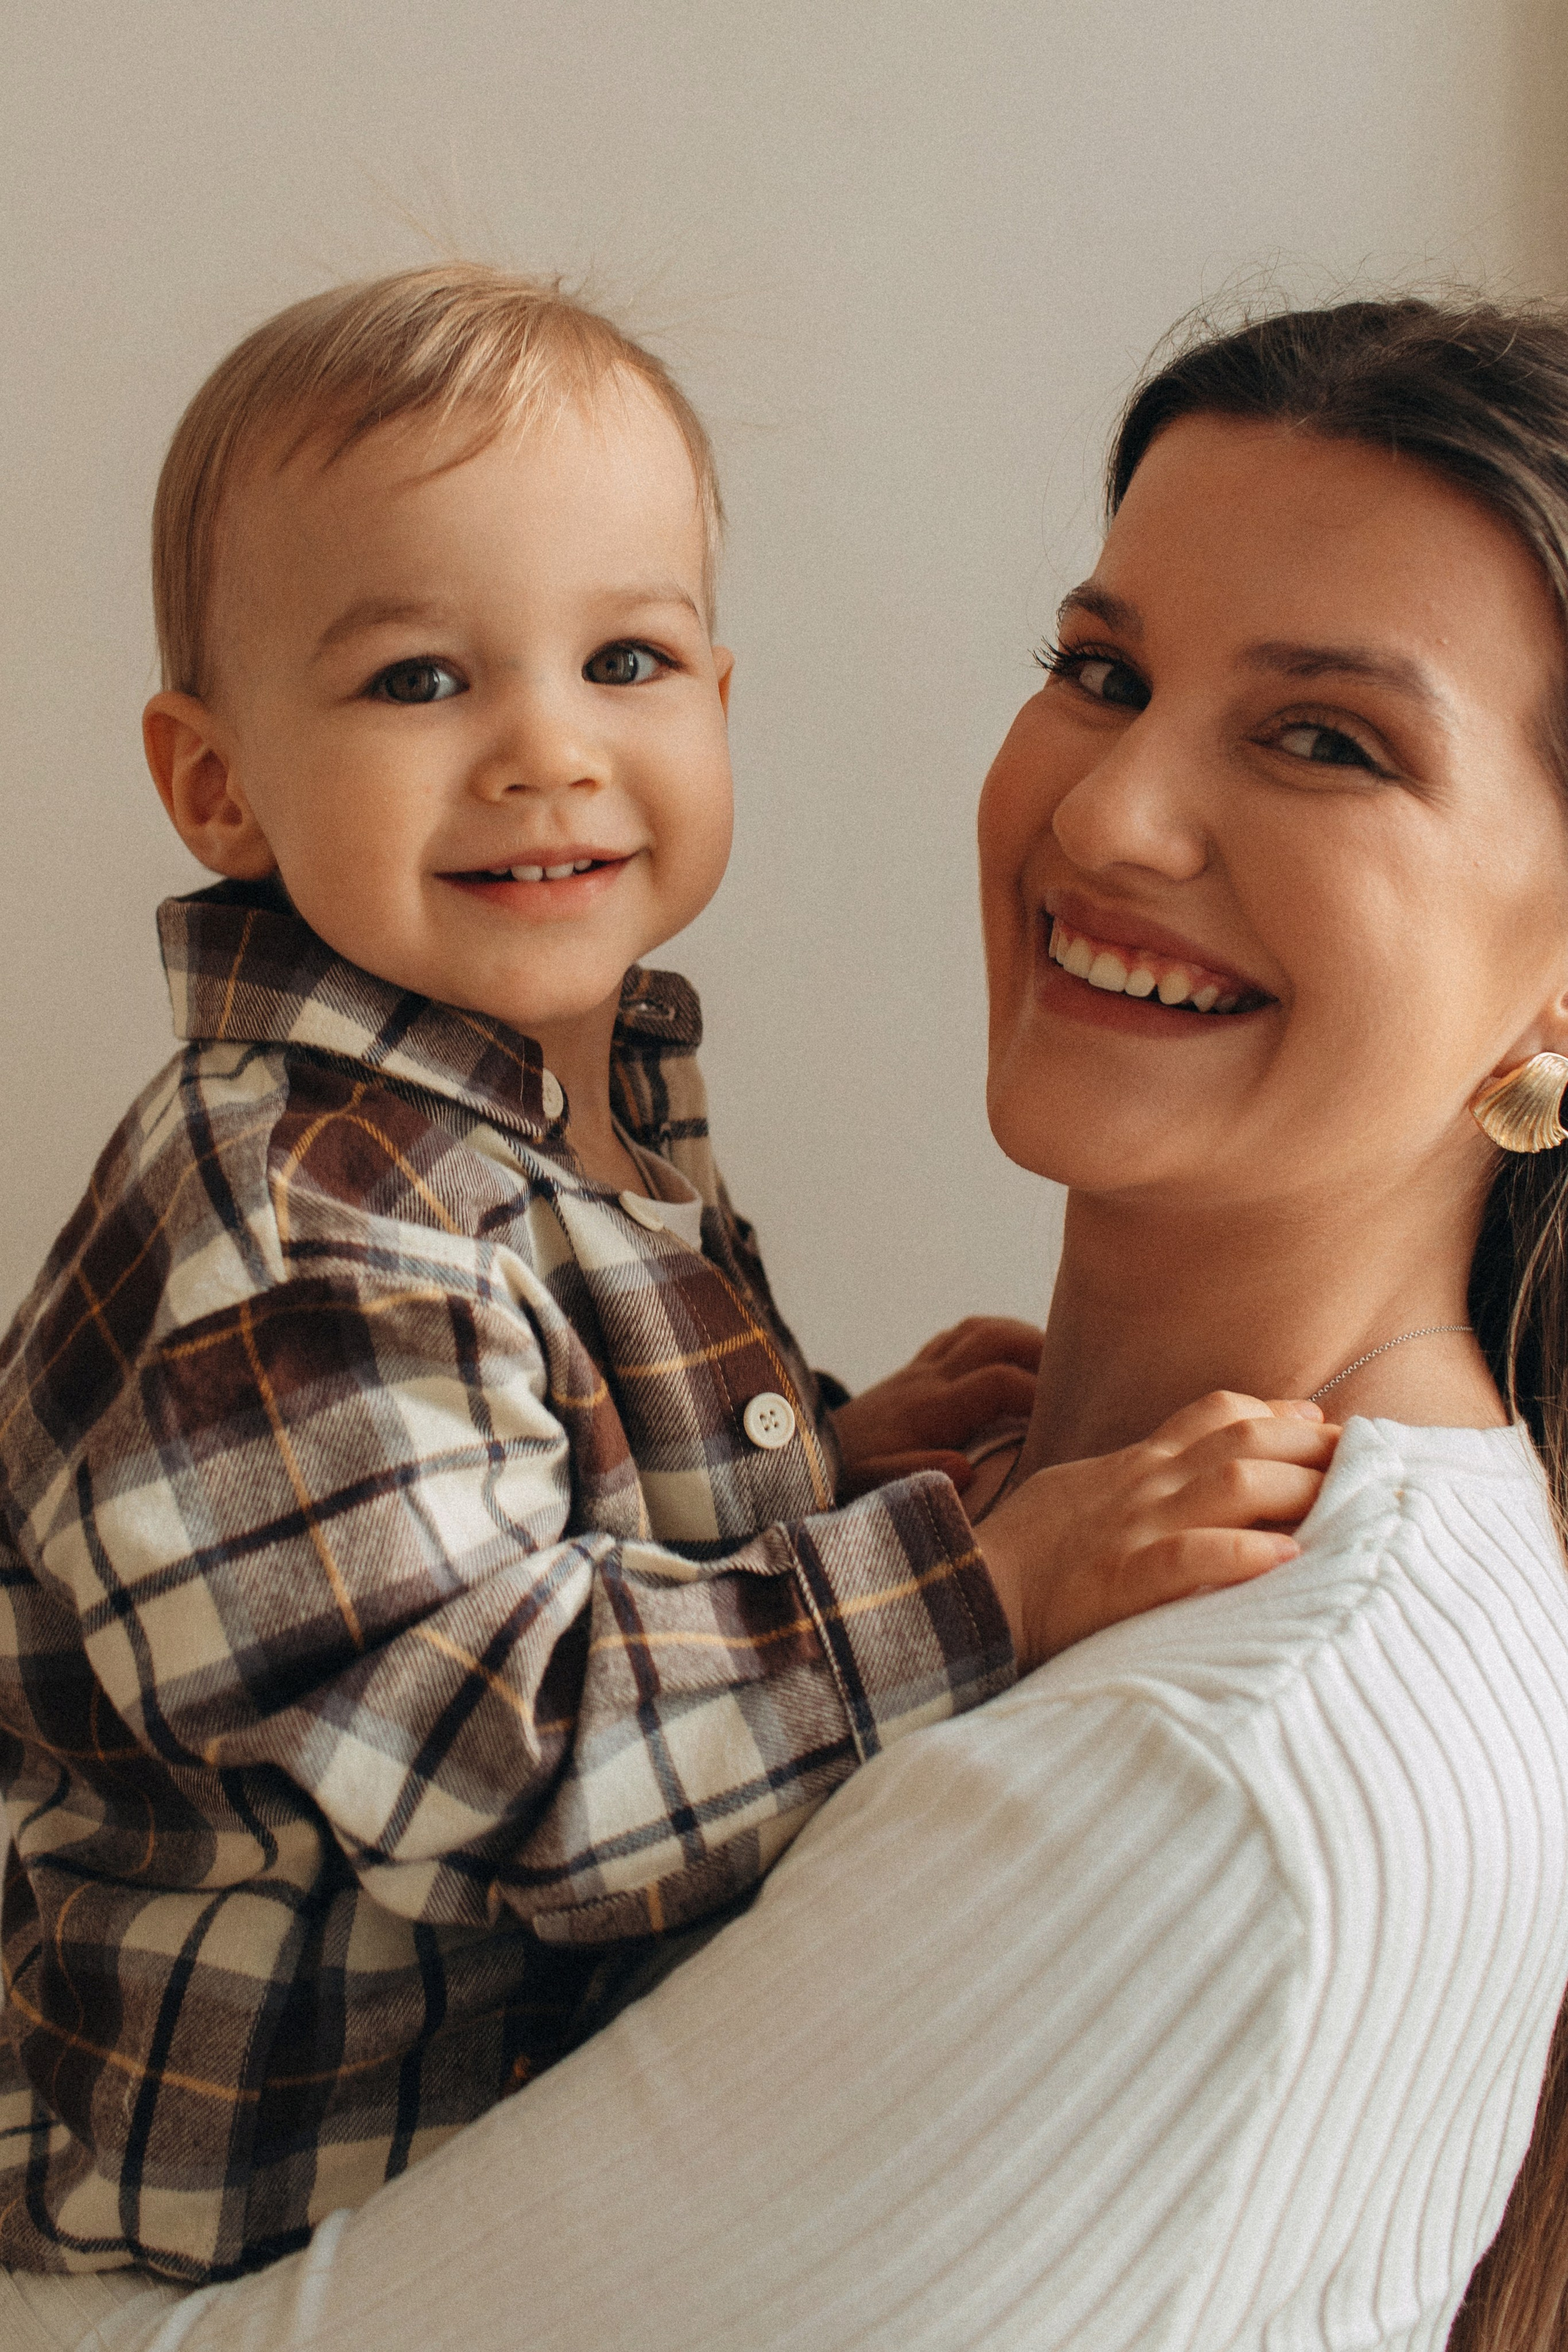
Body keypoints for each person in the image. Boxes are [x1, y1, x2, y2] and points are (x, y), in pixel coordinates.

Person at [32, 285, 1568, 2352]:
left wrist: (925, 1556)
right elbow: (496, 1681)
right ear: (218, 784)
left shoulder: (1224, 1765)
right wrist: (894, 1527)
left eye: (1326, 737)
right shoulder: (319, 1196)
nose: (1107, 817)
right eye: (1099, 671)